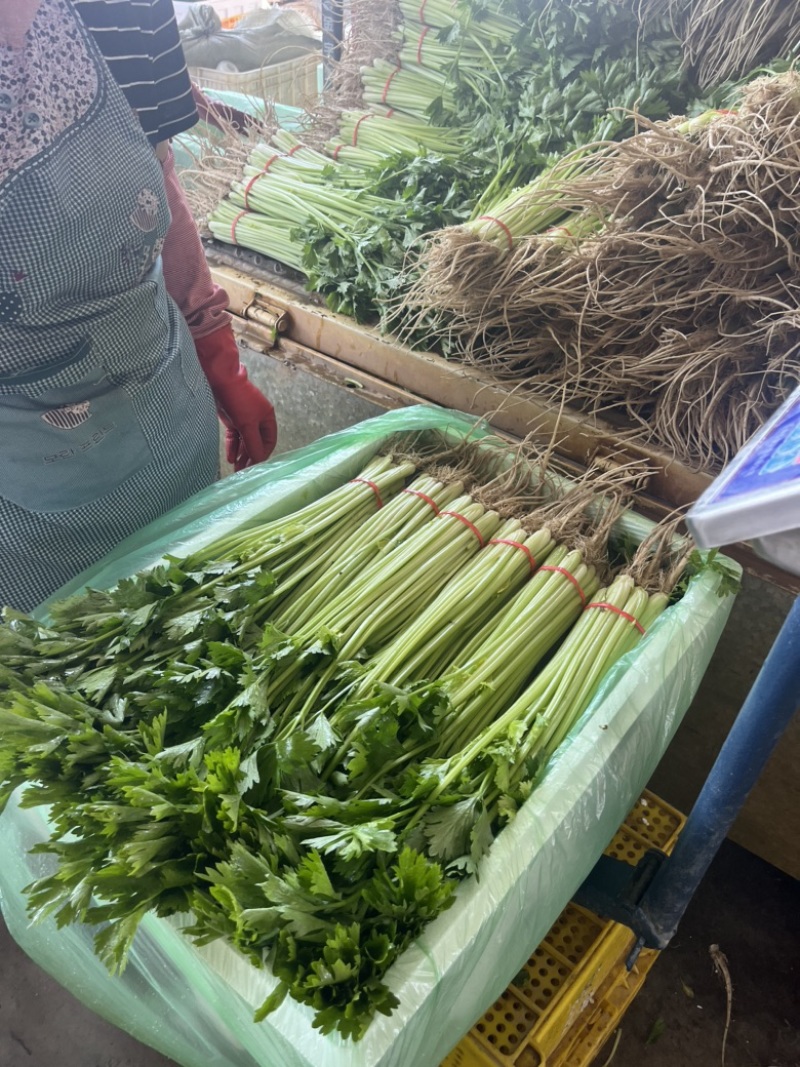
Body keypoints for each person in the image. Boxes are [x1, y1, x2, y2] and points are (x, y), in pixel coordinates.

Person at [0, 0, 277, 612]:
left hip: (163, 396)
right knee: (54, 673)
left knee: (191, 610)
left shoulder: (126, 9)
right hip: (25, 468)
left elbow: (157, 171)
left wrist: (219, 353)